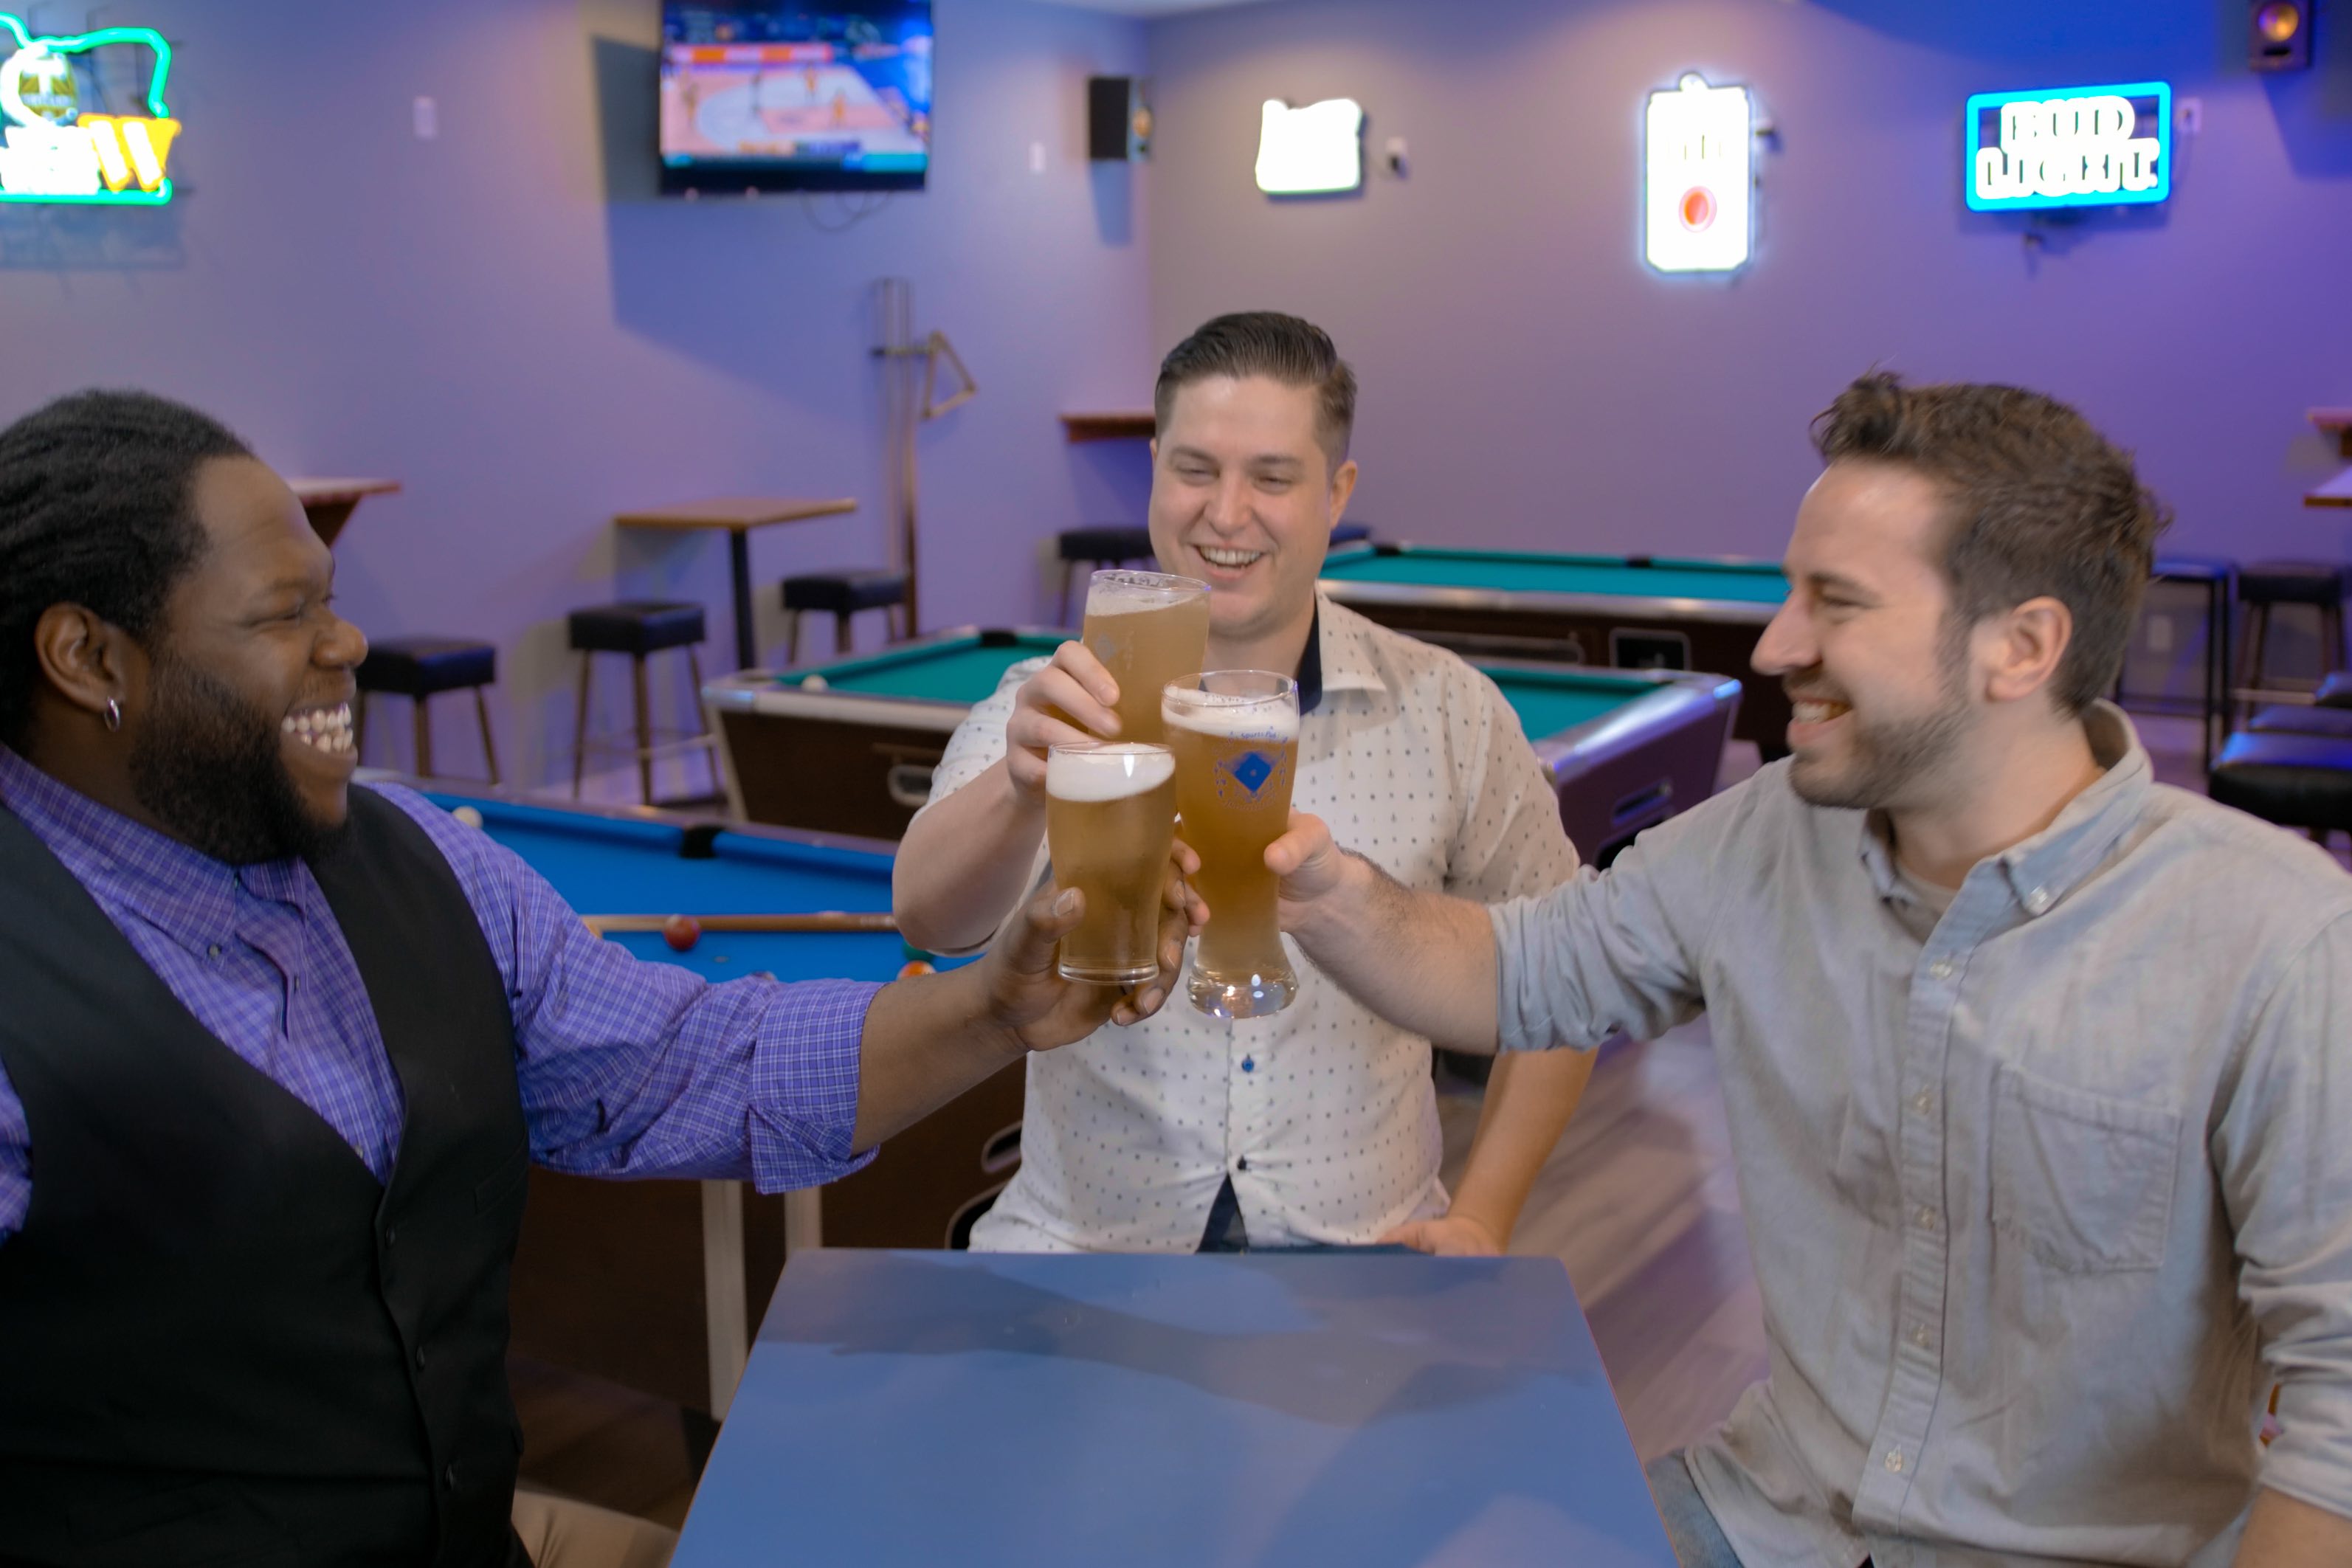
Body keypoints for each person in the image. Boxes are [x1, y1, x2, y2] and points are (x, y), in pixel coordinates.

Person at [0, 390, 1195, 1568]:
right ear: (87, 655)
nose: (346, 643)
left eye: (334, 600)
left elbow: (688, 1066)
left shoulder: (425, 858)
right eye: (281, 614)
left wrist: (992, 1009)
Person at [1266, 373, 2352, 1567]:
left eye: (1833, 602)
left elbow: (2336, 1424)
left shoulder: (2278, 939)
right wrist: (1329, 893)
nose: (1776, 643)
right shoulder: (1766, 833)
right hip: (1762, 1520)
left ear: (2021, 647)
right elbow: (1516, 976)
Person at [894, 311, 1595, 1254]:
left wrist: (1482, 1216)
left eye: (1271, 477)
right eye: (1195, 470)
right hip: (1083, 1252)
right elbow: (928, 920)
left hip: (1367, 1255)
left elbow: (1572, 975)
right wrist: (1020, 790)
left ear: (1336, 492)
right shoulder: (1053, 702)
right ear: (1153, 467)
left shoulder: (1449, 712)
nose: (1225, 514)